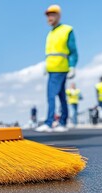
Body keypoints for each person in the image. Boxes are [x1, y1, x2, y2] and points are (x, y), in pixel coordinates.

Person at [36, 4, 78, 133]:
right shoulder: (50, 33)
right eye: (48, 15)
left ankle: (49, 123)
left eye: (52, 15)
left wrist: (72, 66)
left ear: (58, 16)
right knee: (60, 96)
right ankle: (63, 122)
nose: (49, 18)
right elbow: (51, 52)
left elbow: (73, 51)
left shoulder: (66, 30)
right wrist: (46, 65)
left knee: (51, 95)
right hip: (52, 68)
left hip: (60, 67)